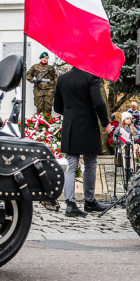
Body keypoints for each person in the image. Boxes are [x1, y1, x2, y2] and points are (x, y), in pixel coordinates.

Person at [53, 66, 111, 217]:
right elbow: (98, 102)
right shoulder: (91, 76)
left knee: (71, 165)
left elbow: (57, 106)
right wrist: (106, 123)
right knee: (91, 162)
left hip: (70, 126)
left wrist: (72, 113)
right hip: (87, 125)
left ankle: (70, 204)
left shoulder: (62, 78)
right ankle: (90, 201)